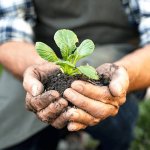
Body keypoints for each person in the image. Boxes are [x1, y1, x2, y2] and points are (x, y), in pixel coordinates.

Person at [0, 0, 150, 149]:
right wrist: (38, 71)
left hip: (117, 55)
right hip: (36, 57)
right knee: (13, 129)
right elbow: (9, 35)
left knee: (113, 119)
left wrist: (124, 75)